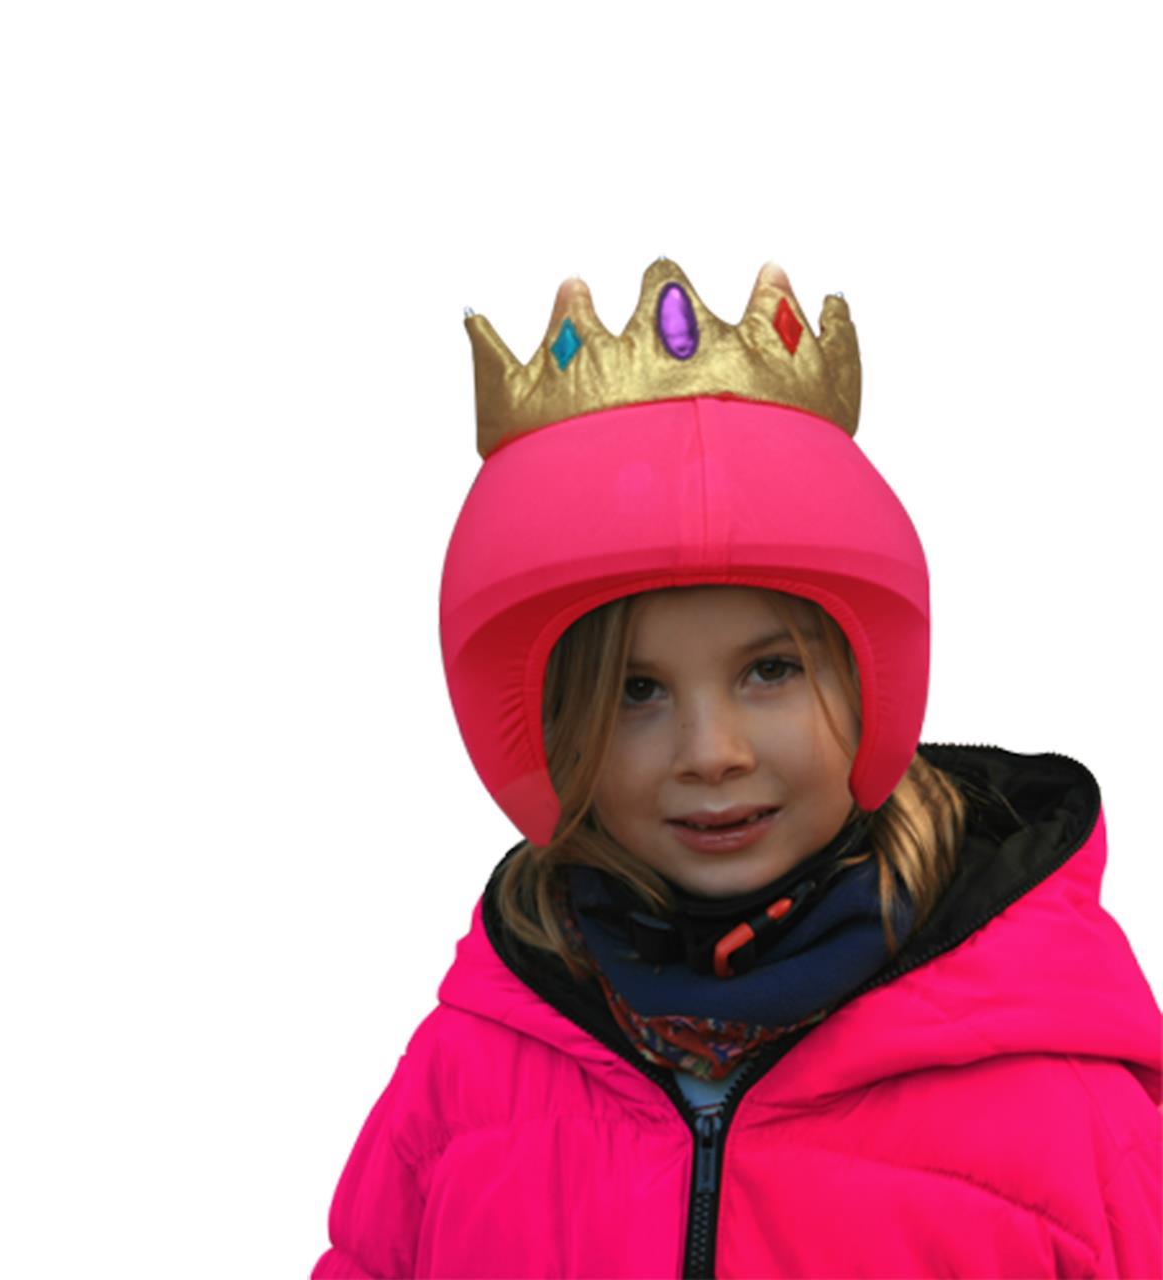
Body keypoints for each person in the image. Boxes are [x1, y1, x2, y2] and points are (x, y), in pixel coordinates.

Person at [312, 260, 1162, 1279]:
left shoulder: (1058, 1104)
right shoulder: (469, 1080)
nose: (712, 751)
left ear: (870, 682)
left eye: (769, 670)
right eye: (636, 690)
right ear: (554, 726)